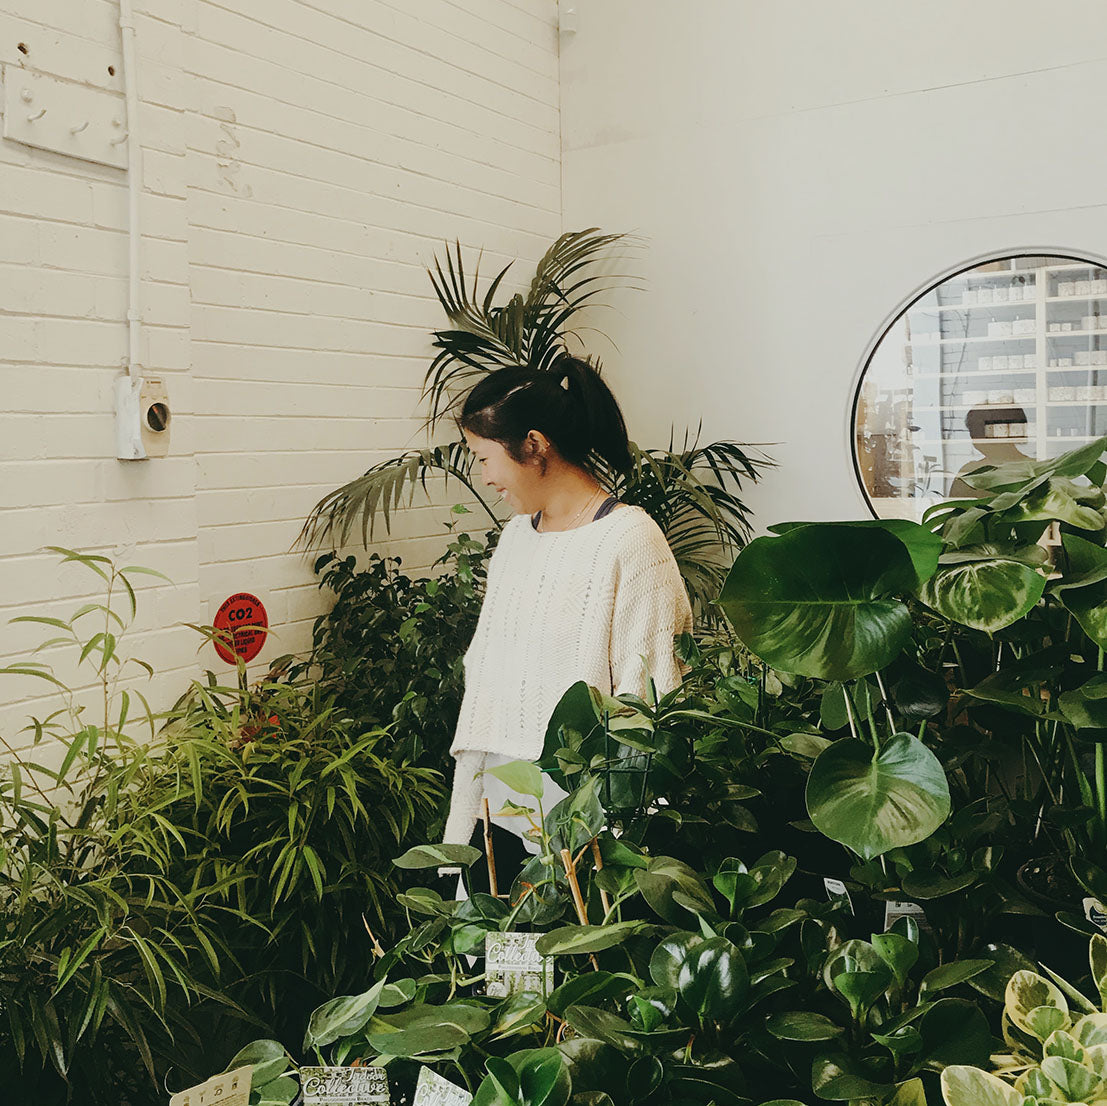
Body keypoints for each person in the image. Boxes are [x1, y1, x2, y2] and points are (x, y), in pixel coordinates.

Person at [441, 354, 694, 860]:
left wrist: (625, 841)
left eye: (485, 456)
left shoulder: (630, 539)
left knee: (569, 940)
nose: (484, 476)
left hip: (585, 824)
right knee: (495, 941)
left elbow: (650, 699)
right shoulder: (514, 538)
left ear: (534, 446)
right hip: (498, 809)